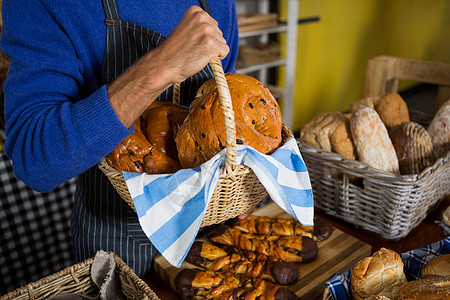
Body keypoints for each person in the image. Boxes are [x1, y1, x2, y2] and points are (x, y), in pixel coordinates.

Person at [1, 0, 241, 276]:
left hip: (215, 230)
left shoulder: (219, 3)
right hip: (121, 245)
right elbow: (35, 159)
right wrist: (158, 69)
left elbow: (225, 99)